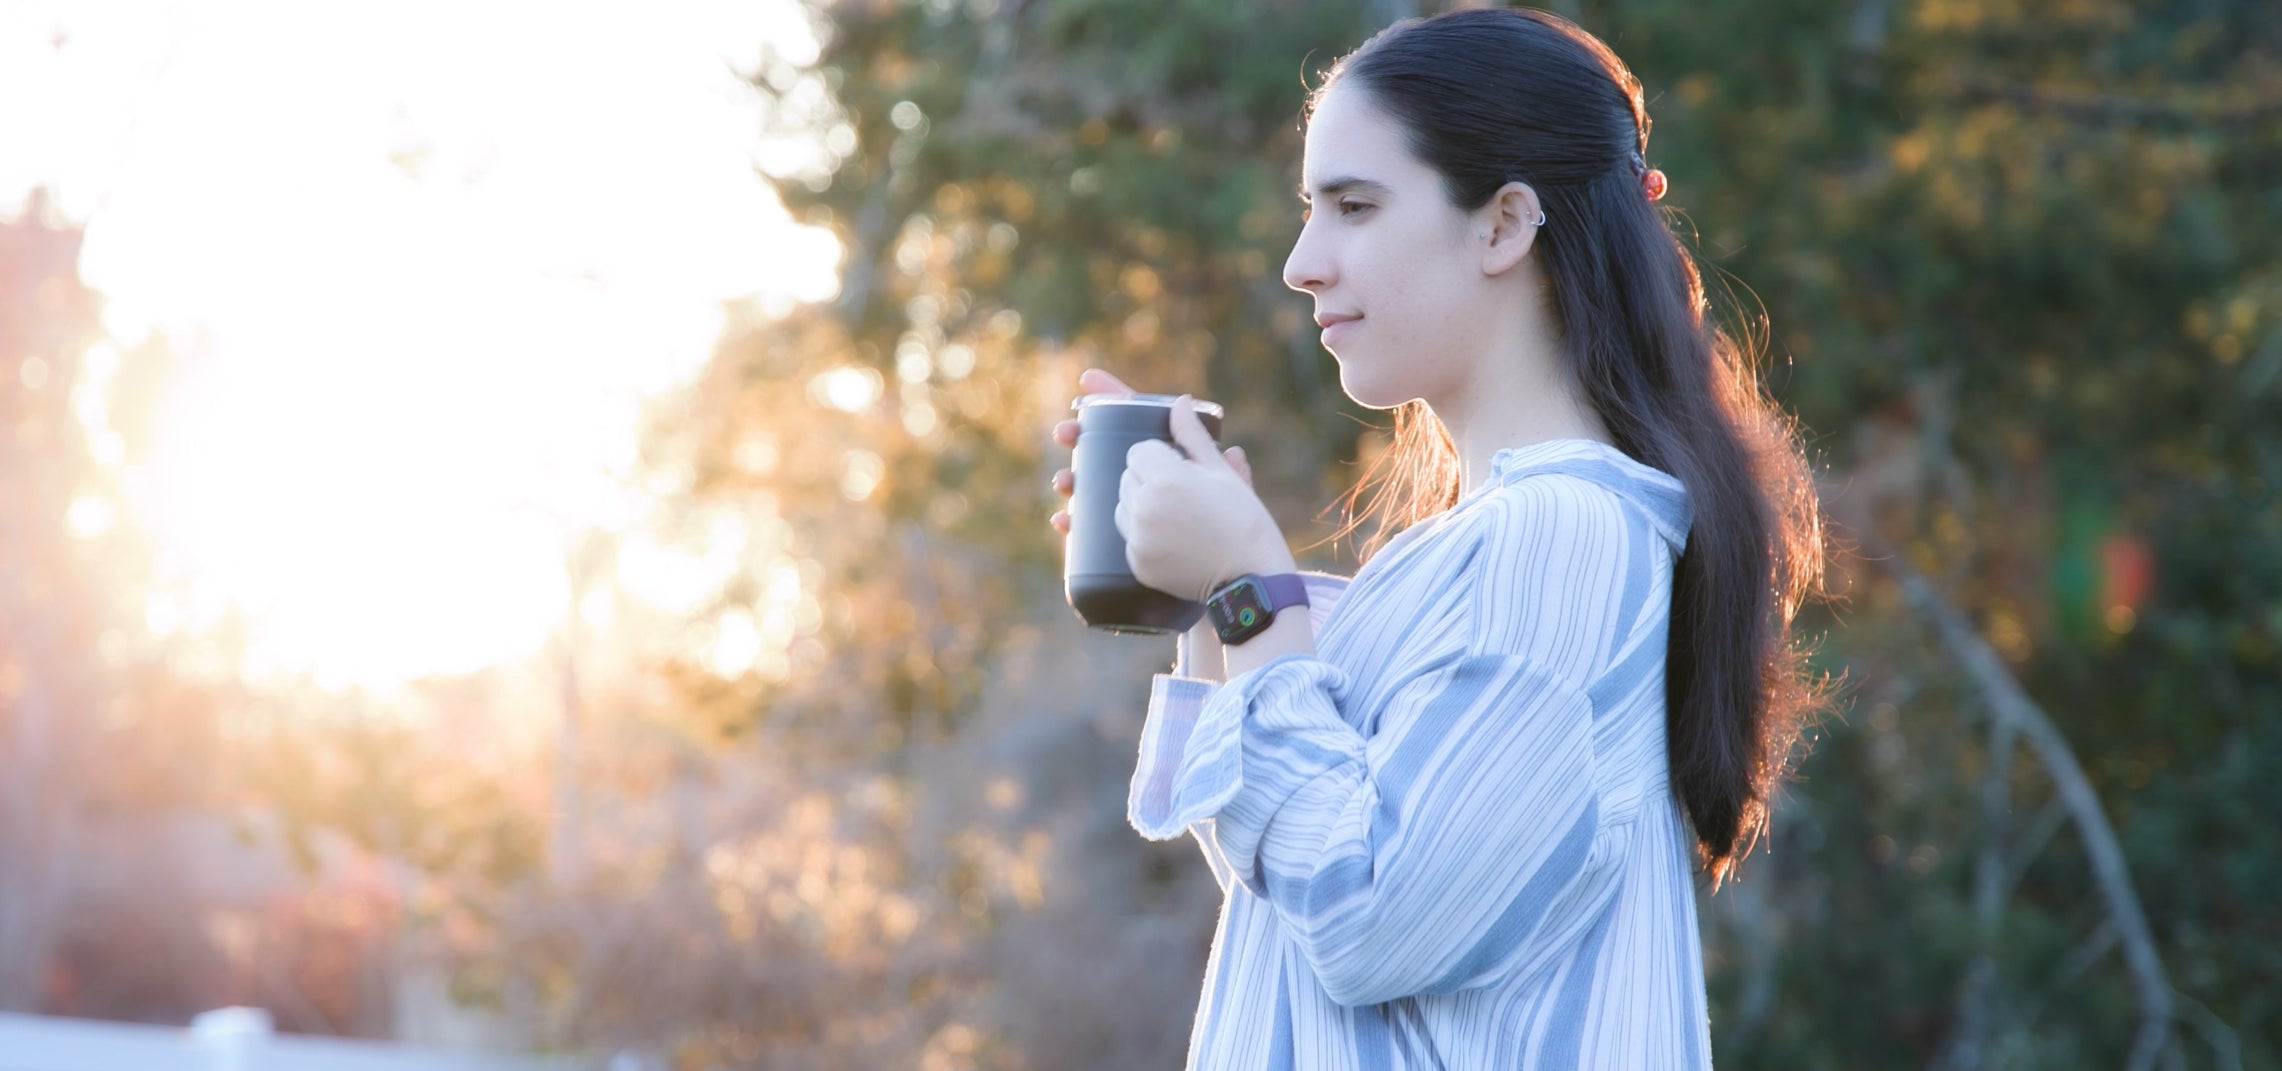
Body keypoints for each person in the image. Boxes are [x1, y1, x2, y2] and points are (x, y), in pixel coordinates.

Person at [1046, 8, 1824, 1069]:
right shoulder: (1496, 543)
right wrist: (1213, 604)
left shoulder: (1561, 537)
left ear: (1503, 226)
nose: (1300, 264)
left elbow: (1364, 920)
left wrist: (1248, 588)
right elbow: (1294, 899)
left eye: (1352, 207)